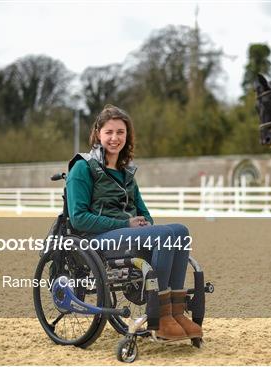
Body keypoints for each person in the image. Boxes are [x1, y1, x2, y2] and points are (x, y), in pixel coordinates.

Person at [66, 104, 202, 341]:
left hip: (124, 234)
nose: (115, 138)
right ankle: (159, 317)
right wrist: (126, 222)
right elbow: (78, 219)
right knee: (164, 235)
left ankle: (175, 313)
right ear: (98, 133)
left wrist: (144, 223)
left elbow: (144, 213)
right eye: (109, 132)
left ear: (127, 135)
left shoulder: (126, 172)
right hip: (94, 239)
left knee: (180, 230)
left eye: (120, 132)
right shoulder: (82, 167)